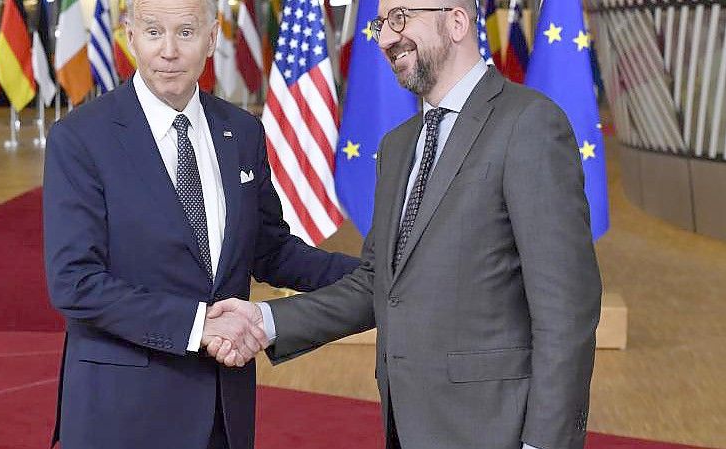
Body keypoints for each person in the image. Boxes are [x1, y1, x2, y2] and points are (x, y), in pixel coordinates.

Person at [207, 1, 602, 449]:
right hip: (407, 426)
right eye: (380, 24)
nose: (384, 39)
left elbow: (566, 310)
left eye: (399, 19)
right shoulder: (398, 147)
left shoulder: (529, 124)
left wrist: (545, 444)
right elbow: (378, 285)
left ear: (456, 21)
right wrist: (264, 319)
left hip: (497, 429)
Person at [42, 0, 359, 447]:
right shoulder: (80, 139)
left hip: (220, 410)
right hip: (120, 411)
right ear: (129, 35)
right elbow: (74, 281)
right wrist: (198, 325)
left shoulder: (242, 131)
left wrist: (374, 275)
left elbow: (269, 249)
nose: (168, 51)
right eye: (153, 32)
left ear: (212, 39)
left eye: (186, 33)